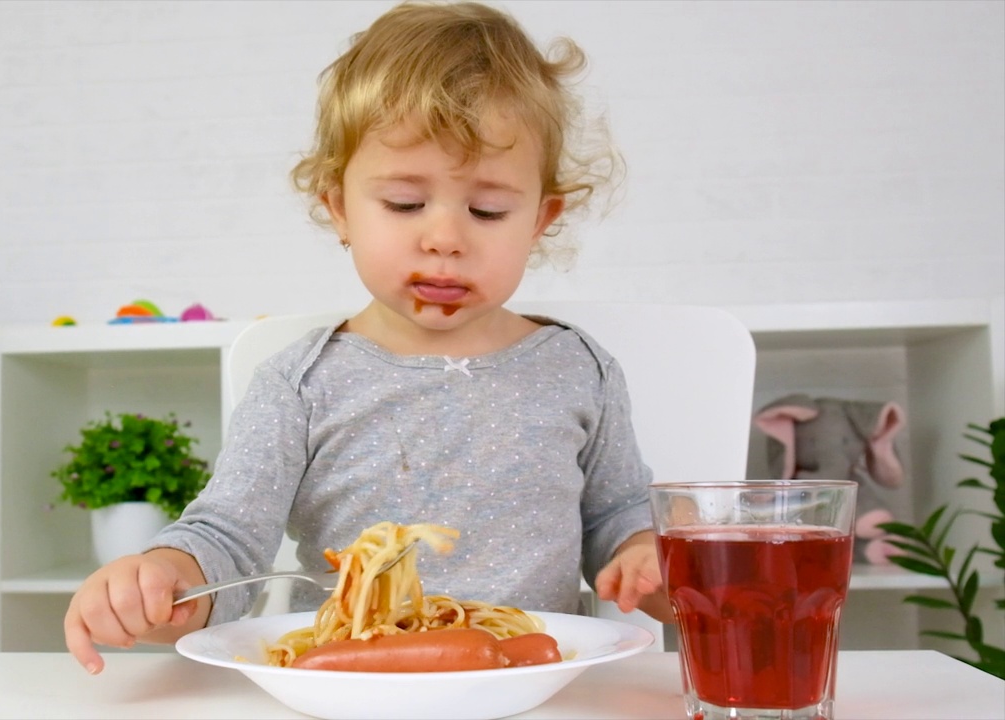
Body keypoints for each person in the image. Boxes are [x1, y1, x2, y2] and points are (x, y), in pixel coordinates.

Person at [64, 0, 670, 675]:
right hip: (349, 682)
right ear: (338, 207)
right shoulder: (300, 384)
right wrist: (165, 578)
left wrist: (652, 560)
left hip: (530, 687)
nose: (444, 238)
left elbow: (617, 522)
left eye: (488, 209)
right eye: (405, 204)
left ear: (540, 217)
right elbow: (228, 539)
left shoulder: (578, 369)